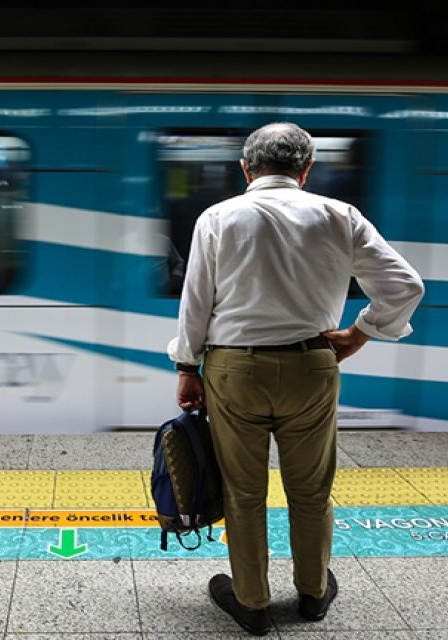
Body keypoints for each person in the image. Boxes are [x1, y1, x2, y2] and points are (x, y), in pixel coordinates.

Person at [167, 122, 424, 635]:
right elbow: (405, 285)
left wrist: (186, 367)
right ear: (307, 170)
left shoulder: (218, 217)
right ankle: (312, 594)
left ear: (246, 169)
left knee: (244, 492)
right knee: (311, 492)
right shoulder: (339, 215)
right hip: (312, 364)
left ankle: (253, 604)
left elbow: (196, 302)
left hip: (234, 369)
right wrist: (359, 333)